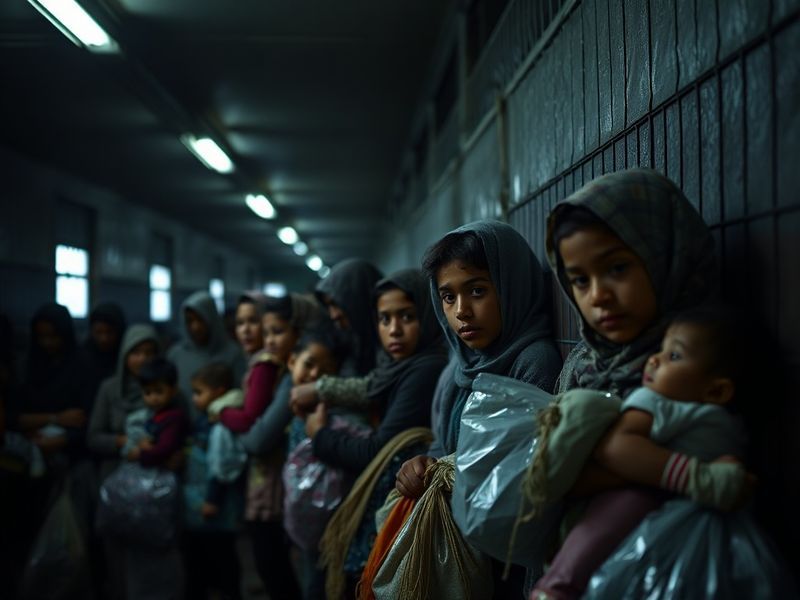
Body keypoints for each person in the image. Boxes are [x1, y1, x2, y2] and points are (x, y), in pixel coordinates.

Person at [528, 168, 720, 596]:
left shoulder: (696, 358)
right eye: (580, 280)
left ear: (665, 254)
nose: (598, 296)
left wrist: (584, 471)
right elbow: (550, 475)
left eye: (617, 268)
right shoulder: (583, 363)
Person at [393, 221, 562, 598]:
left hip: (506, 569)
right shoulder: (459, 367)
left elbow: (518, 480)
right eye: (448, 297)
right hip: (463, 554)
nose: (462, 311)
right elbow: (444, 446)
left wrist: (446, 473)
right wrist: (422, 467)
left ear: (511, 284)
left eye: (477, 291)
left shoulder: (534, 362)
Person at [530, 308, 750, 599]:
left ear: (717, 392)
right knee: (626, 505)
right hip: (636, 505)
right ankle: (556, 588)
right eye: (661, 350)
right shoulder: (655, 401)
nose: (655, 359)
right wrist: (699, 477)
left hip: (683, 530)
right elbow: (616, 447)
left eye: (674, 355)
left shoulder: (717, 418)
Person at [297, 269, 448, 595]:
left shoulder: (425, 368)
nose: (394, 330)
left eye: (407, 316)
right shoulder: (392, 367)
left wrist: (320, 435)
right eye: (384, 319)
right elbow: (366, 390)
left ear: (428, 313)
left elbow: (379, 452)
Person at [184, 361, 246, 600]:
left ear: (218, 392)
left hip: (217, 507)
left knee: (222, 559)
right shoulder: (206, 420)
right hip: (204, 505)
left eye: (199, 392)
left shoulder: (220, 427)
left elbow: (220, 467)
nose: (194, 399)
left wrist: (212, 499)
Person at [167, 291, 247, 414]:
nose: (195, 327)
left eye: (200, 320)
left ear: (212, 319)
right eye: (189, 321)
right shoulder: (175, 354)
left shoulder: (233, 354)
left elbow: (240, 398)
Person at [315, 259, 383, 376]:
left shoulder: (392, 345)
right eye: (328, 306)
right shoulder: (347, 342)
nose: (334, 315)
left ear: (359, 299)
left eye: (337, 304)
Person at [83, 302, 127, 403]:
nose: (104, 338)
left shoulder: (127, 357)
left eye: (109, 332)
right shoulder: (83, 358)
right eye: (98, 332)